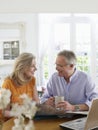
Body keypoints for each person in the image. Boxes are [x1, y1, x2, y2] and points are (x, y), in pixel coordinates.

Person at [2, 52, 40, 117]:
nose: (36, 69)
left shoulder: (32, 80)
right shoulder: (8, 83)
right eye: (32, 66)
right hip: (11, 123)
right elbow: (4, 112)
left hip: (27, 119)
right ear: (23, 67)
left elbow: (36, 102)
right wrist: (21, 113)